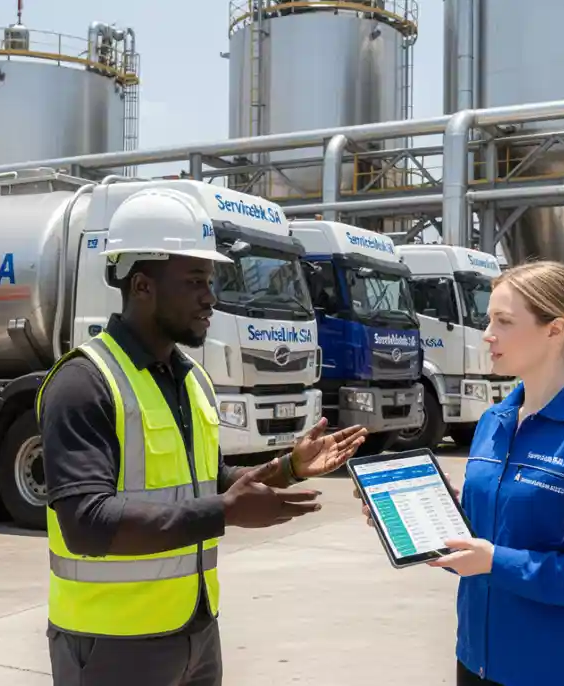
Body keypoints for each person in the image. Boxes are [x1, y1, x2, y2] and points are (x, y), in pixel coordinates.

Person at [38, 186, 368, 686]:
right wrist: (226, 513)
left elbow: (204, 480)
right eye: (195, 281)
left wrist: (287, 468)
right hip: (112, 641)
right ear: (142, 286)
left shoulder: (191, 378)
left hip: (194, 627)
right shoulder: (83, 383)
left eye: (210, 281)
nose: (210, 297)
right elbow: (86, 523)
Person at [355, 260, 564, 686]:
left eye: (504, 321)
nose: (487, 334)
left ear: (555, 330)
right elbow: (484, 544)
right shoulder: (494, 421)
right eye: (488, 319)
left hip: (557, 672)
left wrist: (496, 562)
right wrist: (423, 518)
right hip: (476, 661)